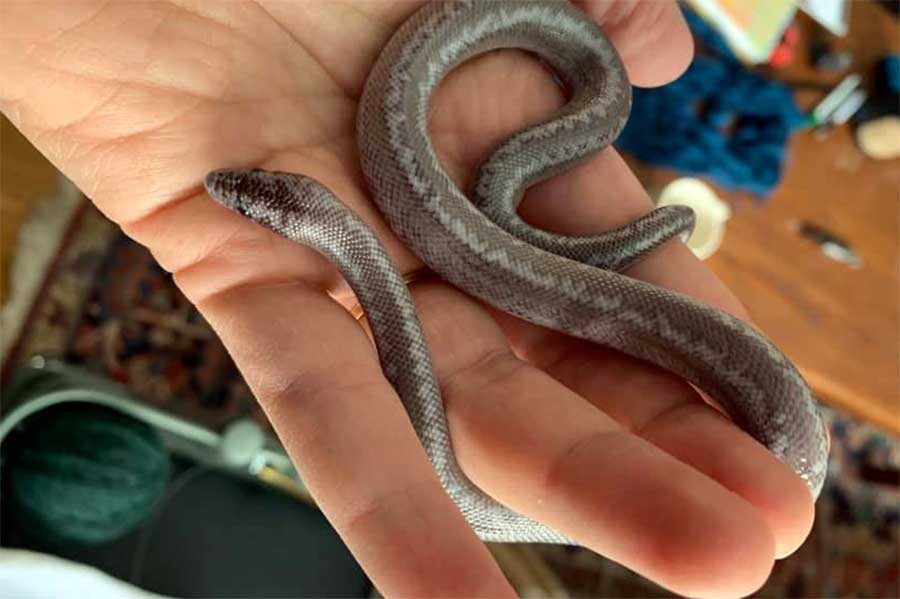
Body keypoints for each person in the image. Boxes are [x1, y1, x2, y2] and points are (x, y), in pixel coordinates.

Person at [0, 2, 815, 597]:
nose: (234, 196)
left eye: (254, 202)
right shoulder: (354, 219)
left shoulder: (379, 201)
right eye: (254, 203)